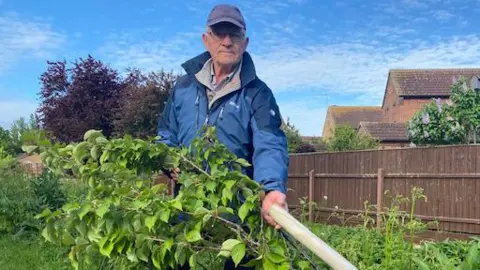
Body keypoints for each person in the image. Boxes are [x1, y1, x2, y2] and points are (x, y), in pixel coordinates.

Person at [157, 4, 289, 268]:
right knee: (177, 259)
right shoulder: (183, 88)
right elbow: (166, 132)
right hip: (188, 200)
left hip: (238, 207)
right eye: (220, 33)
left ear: (245, 42)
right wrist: (168, 158)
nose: (227, 41)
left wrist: (272, 188)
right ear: (207, 40)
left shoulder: (258, 93)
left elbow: (270, 142)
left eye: (235, 34)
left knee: (243, 261)